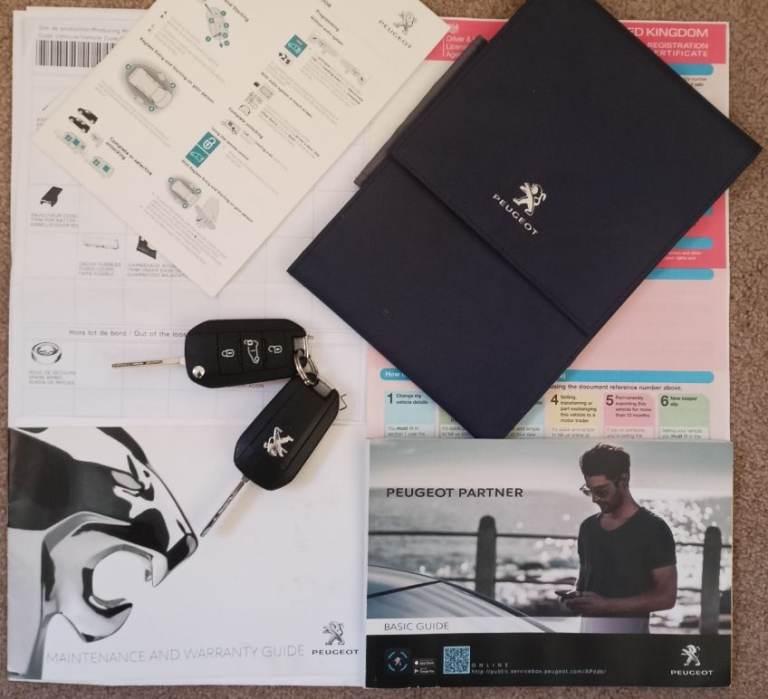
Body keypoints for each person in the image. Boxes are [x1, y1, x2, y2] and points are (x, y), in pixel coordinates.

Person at [564, 443, 677, 633]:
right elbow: (585, 582)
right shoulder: (588, 528)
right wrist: (577, 598)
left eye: (601, 491)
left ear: (623, 479)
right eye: (590, 491)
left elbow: (666, 598)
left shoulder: (654, 529)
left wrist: (606, 606)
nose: (594, 499)